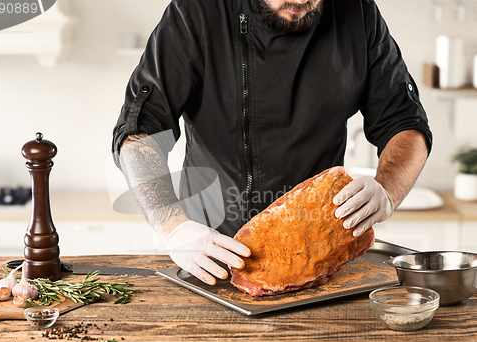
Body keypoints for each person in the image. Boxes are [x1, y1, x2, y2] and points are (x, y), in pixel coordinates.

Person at [112, 0, 432, 285]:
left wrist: (388, 188)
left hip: (319, 254)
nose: (301, 0)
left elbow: (405, 123)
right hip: (208, 251)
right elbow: (140, 133)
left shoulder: (357, 12)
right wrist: (173, 228)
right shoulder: (195, 12)